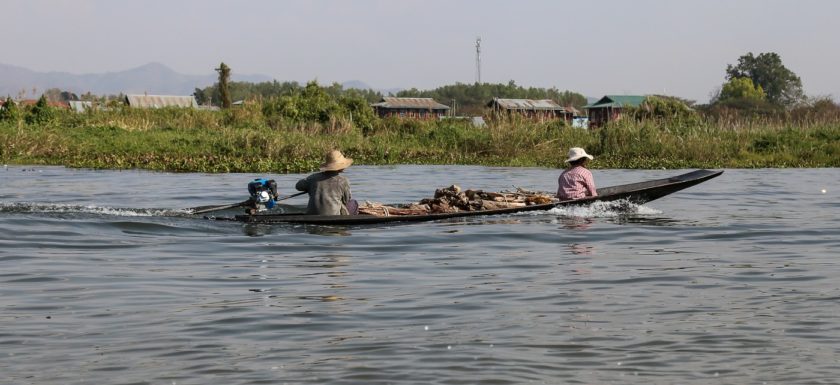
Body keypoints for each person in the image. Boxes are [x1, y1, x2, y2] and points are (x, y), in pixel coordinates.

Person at [296, 149, 357, 215]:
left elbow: (298, 186)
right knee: (353, 203)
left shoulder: (312, 178)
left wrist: (310, 186)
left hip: (311, 214)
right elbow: (346, 200)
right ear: (341, 167)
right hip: (333, 216)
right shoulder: (343, 181)